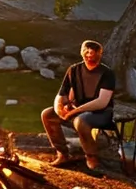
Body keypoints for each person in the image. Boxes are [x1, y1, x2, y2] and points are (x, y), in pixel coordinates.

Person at [41, 40, 116, 170]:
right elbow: (62, 94)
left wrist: (75, 112)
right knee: (47, 114)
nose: (89, 54)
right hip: (76, 109)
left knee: (81, 121)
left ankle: (91, 157)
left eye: (93, 52)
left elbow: (102, 102)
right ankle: (63, 153)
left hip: (101, 112)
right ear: (81, 52)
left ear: (100, 53)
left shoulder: (107, 73)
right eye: (86, 51)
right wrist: (60, 109)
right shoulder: (74, 70)